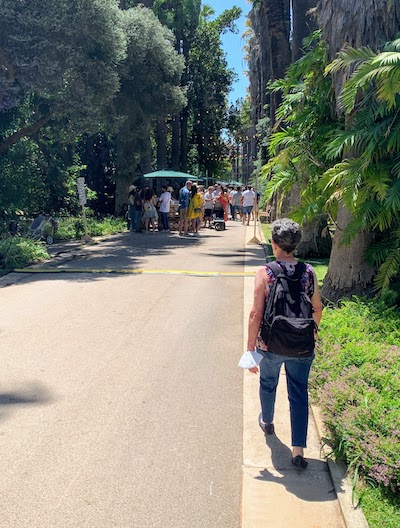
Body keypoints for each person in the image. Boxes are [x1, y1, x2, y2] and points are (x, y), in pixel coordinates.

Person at [246, 218, 323, 469]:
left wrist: (250, 347)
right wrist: (313, 332)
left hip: (270, 344)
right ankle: (298, 449)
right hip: (302, 342)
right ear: (296, 244)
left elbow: (256, 313)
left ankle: (267, 421)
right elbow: (317, 308)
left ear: (275, 244)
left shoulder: (265, 272)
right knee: (299, 392)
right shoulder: (309, 271)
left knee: (268, 383)